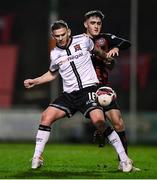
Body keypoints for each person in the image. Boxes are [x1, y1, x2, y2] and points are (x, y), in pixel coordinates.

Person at [24, 20, 133, 172]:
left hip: (88, 90)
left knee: (99, 121)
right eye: (57, 36)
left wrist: (107, 57)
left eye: (63, 34)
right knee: (46, 117)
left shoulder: (83, 40)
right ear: (53, 36)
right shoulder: (54, 53)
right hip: (69, 95)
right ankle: (37, 158)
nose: (60, 38)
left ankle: (124, 159)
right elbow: (52, 73)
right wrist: (35, 81)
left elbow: (96, 51)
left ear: (68, 31)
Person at [83, 10, 140, 171]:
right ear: (85, 24)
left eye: (98, 23)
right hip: (84, 87)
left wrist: (115, 47)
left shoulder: (105, 38)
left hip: (102, 87)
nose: (96, 26)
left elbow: (126, 43)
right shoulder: (79, 41)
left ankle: (124, 162)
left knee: (118, 122)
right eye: (92, 23)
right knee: (100, 122)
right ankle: (100, 131)